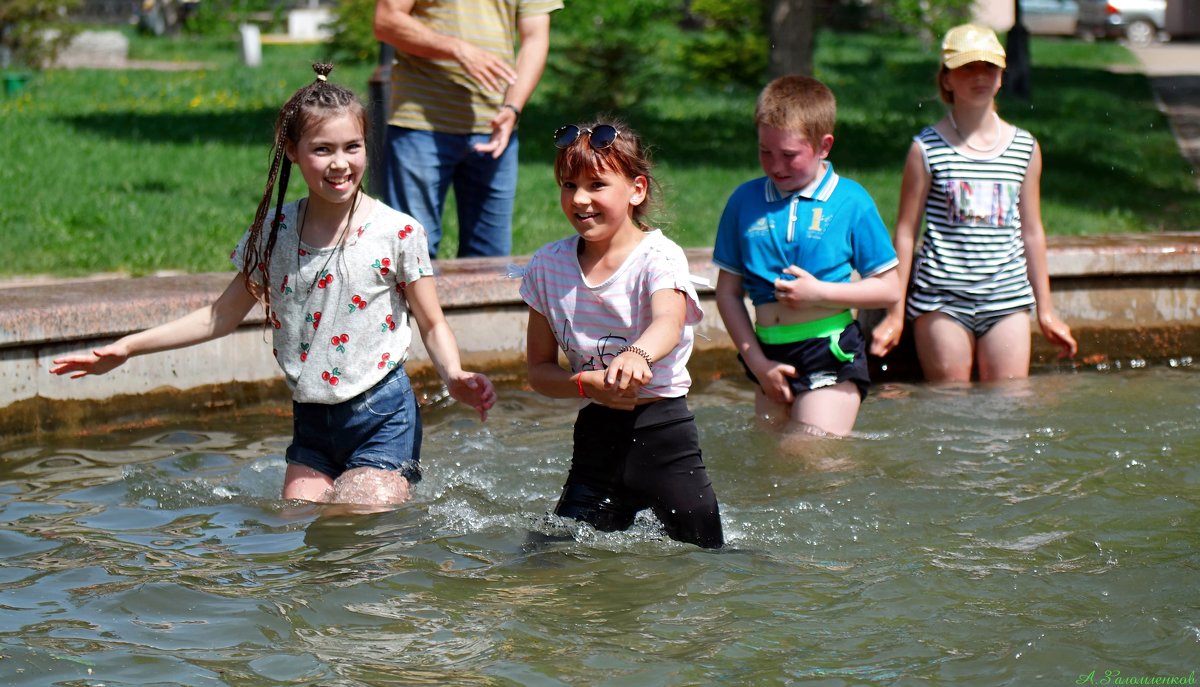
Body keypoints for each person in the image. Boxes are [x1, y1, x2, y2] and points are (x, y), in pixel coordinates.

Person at [50, 64, 496, 507]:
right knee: (297, 530)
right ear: (292, 150)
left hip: (381, 414)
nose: (340, 163)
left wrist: (453, 373)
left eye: (352, 147)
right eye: (322, 149)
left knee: (357, 527)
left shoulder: (396, 233)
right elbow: (219, 316)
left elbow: (431, 322)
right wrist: (128, 347)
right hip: (312, 421)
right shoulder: (274, 232)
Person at [518, 120, 724, 549]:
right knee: (552, 557)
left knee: (707, 556)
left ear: (636, 190)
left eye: (597, 184)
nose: (579, 198)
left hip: (665, 435)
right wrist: (581, 383)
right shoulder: (546, 266)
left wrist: (637, 355)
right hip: (597, 438)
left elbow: (669, 318)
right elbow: (537, 370)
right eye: (568, 184)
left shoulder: (659, 256)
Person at [868, 24, 1077, 382]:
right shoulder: (926, 148)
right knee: (950, 409)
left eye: (989, 68)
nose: (979, 76)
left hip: (1006, 298)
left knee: (1007, 410)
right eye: (967, 67)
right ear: (947, 79)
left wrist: (1047, 310)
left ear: (1000, 77)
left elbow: (1032, 232)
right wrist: (895, 313)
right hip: (941, 300)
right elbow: (905, 233)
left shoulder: (1025, 147)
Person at [713, 75, 900, 438]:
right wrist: (757, 363)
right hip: (768, 356)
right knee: (774, 466)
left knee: (806, 454)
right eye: (765, 152)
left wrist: (820, 294)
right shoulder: (743, 202)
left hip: (829, 351)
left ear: (823, 145)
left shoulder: (851, 201)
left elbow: (889, 289)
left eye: (789, 155)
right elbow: (727, 293)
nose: (776, 165)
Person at [373, 0, 561, 259]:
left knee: (490, 259)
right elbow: (386, 21)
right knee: (413, 255)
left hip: (496, 128)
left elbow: (535, 39)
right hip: (420, 125)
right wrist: (457, 49)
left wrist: (513, 108)